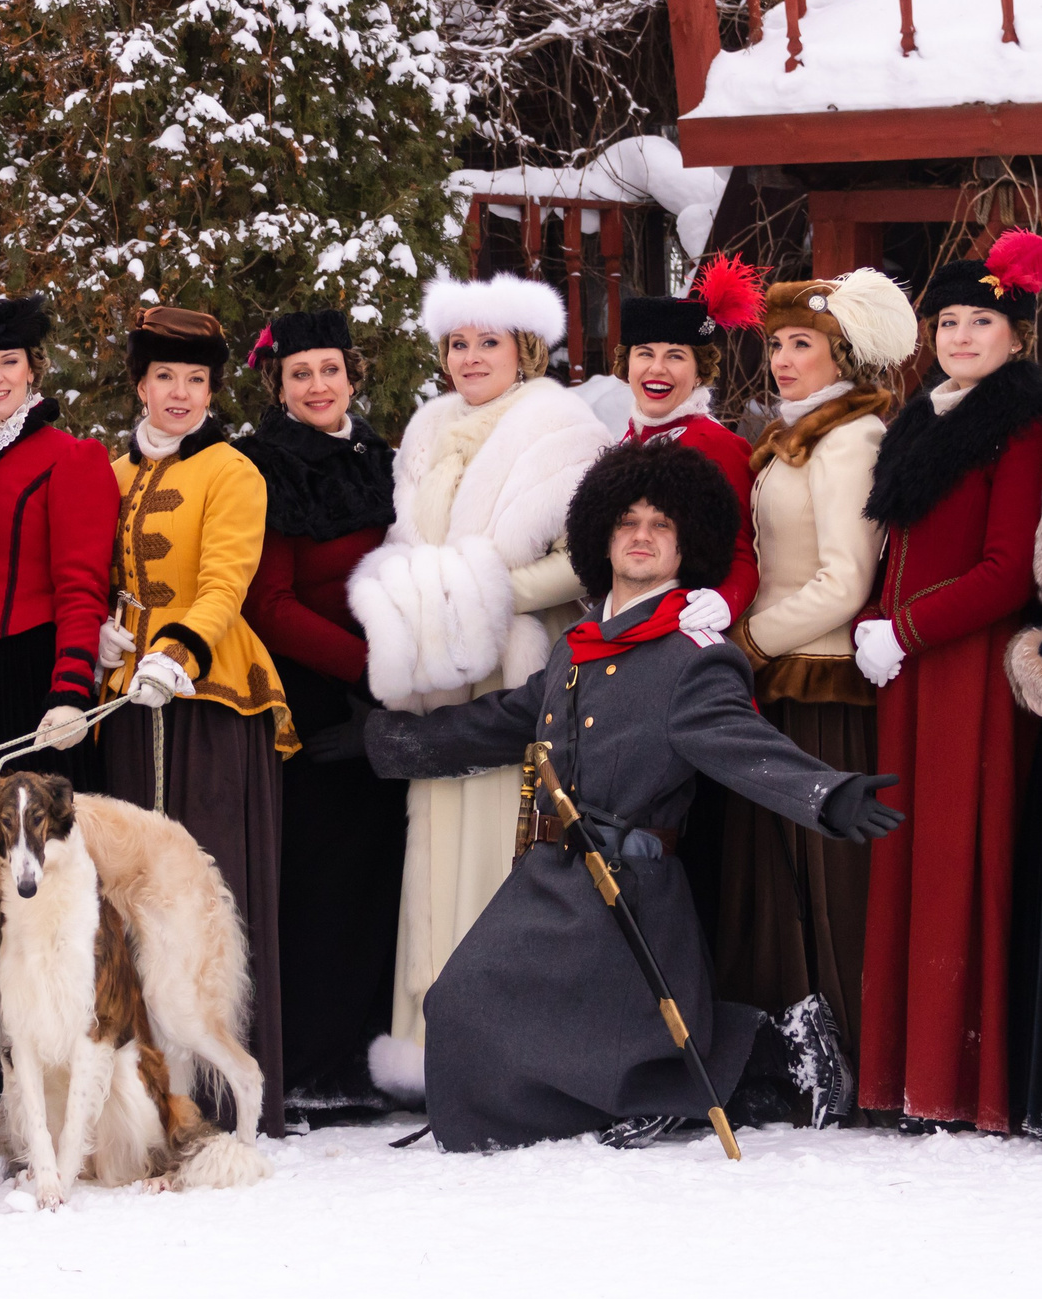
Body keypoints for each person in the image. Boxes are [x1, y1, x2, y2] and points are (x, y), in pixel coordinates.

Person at [350, 439, 901, 1152]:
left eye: (660, 525)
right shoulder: (575, 646)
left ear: (685, 545)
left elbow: (744, 745)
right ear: (601, 536)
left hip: (629, 894)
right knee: (460, 1006)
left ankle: (768, 1048)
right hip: (549, 883)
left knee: (564, 1033)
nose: (640, 537)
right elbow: (503, 721)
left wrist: (828, 793)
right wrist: (385, 741)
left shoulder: (692, 656)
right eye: (626, 523)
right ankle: (713, 1062)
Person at [346, 272, 614, 1099]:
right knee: (434, 858)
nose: (469, 357)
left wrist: (480, 591)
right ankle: (431, 1045)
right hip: (437, 679)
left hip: (517, 674)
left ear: (524, 348)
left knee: (504, 852)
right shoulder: (426, 428)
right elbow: (405, 541)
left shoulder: (561, 426)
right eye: (457, 343)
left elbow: (587, 562)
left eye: (487, 342)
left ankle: (510, 1050)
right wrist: (410, 595)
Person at [98, 305, 299, 1138]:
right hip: (122, 696)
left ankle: (223, 1095)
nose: (179, 394)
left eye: (196, 380)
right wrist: (107, 628)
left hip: (208, 697)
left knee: (204, 898)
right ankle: (138, 1099)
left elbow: (225, 579)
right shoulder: (107, 472)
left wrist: (173, 650)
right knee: (124, 902)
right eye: (163, 378)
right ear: (139, 385)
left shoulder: (232, 471)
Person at [858, 229, 1042, 1134]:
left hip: (965, 666)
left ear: (1016, 334)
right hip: (904, 667)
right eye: (947, 321)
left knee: (959, 865)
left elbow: (1008, 569)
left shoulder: (1020, 421)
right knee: (904, 860)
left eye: (981, 321)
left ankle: (960, 1080)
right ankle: (898, 1073)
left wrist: (908, 628)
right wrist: (870, 619)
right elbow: (893, 545)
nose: (961, 336)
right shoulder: (918, 415)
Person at [718, 269, 918, 1089]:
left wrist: (746, 642)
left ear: (842, 354)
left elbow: (845, 579)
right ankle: (784, 1049)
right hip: (776, 675)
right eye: (775, 343)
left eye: (802, 343)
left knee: (824, 876)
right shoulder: (791, 432)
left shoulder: (850, 438)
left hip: (819, 678)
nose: (782, 358)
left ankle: (846, 1051)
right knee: (773, 874)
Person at [237, 309, 407, 1098]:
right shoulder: (266, 465)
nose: (316, 386)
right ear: (278, 382)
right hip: (312, 695)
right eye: (299, 373)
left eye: (328, 370)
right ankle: (304, 1062)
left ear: (351, 374)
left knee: (378, 871)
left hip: (388, 692)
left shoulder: (381, 455)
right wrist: (370, 669)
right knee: (317, 879)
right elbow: (268, 603)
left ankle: (361, 1053)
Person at [0, 295, 119, 781]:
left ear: (32, 370)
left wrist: (71, 691)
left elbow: (81, 587)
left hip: (36, 684)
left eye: (9, 361)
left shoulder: (72, 459)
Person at [618, 253, 765, 633]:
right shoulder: (626, 440)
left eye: (675, 356)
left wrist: (725, 601)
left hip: (684, 629)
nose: (657, 368)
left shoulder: (718, 445)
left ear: (700, 370)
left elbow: (743, 554)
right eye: (645, 353)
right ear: (627, 364)